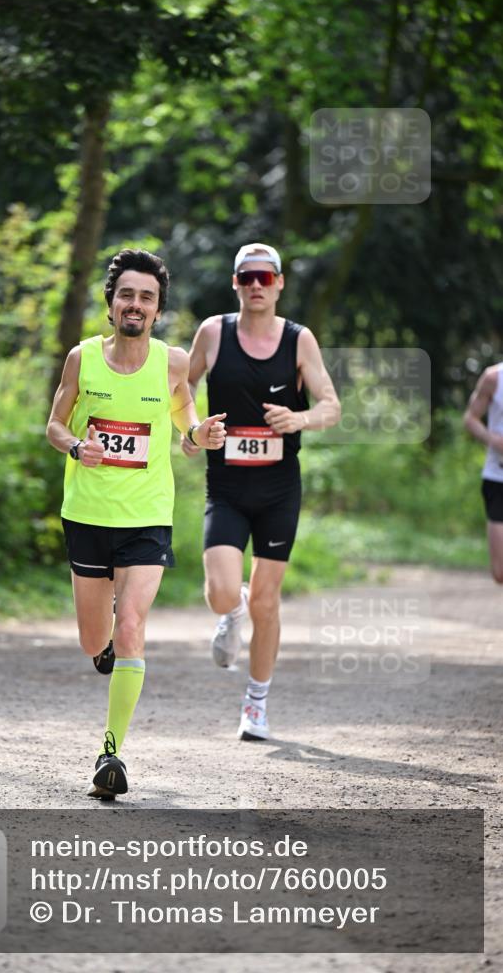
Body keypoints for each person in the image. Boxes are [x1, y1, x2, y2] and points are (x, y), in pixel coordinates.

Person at [46, 248, 226, 798]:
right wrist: (79, 446)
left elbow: (184, 424)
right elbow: (54, 425)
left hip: (148, 516)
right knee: (93, 639)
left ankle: (111, 755)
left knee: (132, 631)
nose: (136, 304)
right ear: (111, 301)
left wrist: (198, 436)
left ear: (157, 308)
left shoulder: (171, 363)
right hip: (88, 514)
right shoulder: (83, 358)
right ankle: (104, 643)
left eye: (147, 297)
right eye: (127, 293)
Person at [182, 242, 340, 740]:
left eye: (264, 278)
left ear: (278, 284)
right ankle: (232, 611)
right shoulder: (212, 332)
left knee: (268, 603)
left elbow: (331, 405)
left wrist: (300, 418)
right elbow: (181, 390)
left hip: (277, 488)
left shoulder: (299, 340)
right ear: (235, 283)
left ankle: (256, 703)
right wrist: (192, 432)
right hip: (226, 485)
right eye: (246, 277)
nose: (255, 285)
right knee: (223, 590)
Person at [463, 361, 503, 584]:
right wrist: (493, 440)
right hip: (498, 479)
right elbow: (470, 418)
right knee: (501, 573)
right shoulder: (494, 378)